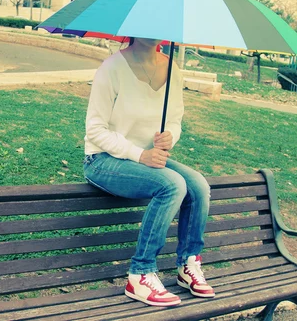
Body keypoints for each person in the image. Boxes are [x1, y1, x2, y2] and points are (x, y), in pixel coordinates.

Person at [83, 37, 214, 307]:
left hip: (147, 158)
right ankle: (140, 274)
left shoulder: (171, 68)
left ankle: (188, 264)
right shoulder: (111, 69)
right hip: (103, 160)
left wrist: (170, 137)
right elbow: (95, 130)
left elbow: (175, 120)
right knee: (173, 185)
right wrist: (139, 154)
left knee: (198, 186)